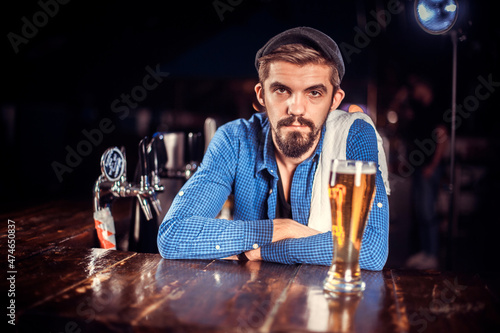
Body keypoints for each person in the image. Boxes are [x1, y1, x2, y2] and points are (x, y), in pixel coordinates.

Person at [157, 27, 390, 270]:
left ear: (334, 100)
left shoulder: (354, 135)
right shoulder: (234, 139)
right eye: (281, 90)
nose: (296, 109)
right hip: (251, 302)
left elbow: (371, 251)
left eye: (314, 93)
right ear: (261, 95)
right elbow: (173, 235)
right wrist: (280, 228)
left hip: (329, 301)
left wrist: (265, 250)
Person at [391, 74, 448, 270]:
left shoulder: (436, 109)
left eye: (415, 88)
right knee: (420, 211)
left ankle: (432, 254)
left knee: (427, 211)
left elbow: (443, 138)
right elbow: (397, 113)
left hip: (429, 168)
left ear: (425, 86)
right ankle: (425, 252)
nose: (413, 92)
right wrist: (400, 98)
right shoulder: (418, 109)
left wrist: (433, 166)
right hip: (418, 167)